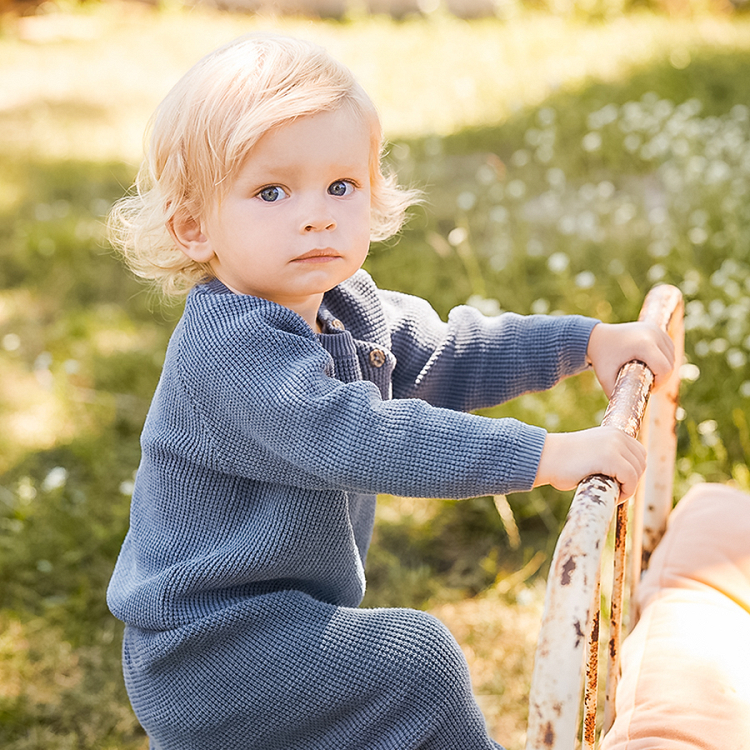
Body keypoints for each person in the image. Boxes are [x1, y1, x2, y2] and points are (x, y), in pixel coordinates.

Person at [106, 33, 674, 750]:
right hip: (205, 650)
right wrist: (545, 455)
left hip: (289, 621)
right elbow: (362, 437)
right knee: (416, 663)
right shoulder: (229, 348)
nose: (316, 214)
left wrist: (585, 342)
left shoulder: (343, 304)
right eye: (271, 191)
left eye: (341, 186)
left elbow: (451, 352)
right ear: (193, 228)